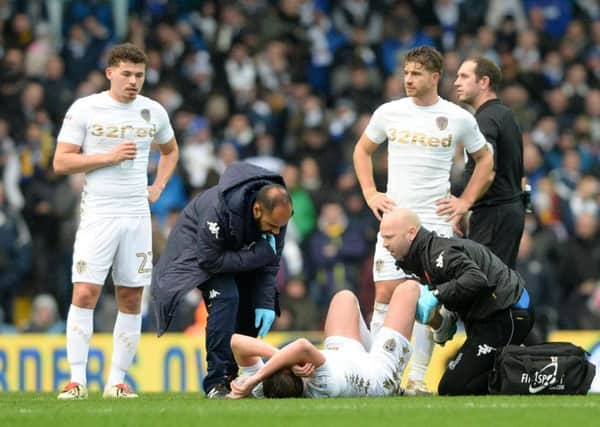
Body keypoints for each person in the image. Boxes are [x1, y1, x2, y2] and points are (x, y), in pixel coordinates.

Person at [353, 45, 494, 394]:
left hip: (435, 219)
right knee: (384, 292)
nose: (408, 80)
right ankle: (378, 375)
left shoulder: (458, 117)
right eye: (405, 73)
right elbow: (362, 150)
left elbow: (486, 161)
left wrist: (464, 202)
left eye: (416, 74)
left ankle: (416, 379)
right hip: (395, 218)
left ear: (435, 77)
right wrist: (371, 193)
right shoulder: (389, 112)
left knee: (425, 296)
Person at [53, 43, 179, 400]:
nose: (133, 81)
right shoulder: (87, 108)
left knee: (131, 297)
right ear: (110, 73)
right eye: (126, 74)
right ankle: (77, 381)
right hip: (99, 213)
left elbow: (171, 151)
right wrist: (107, 157)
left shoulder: (152, 112)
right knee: (85, 291)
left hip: (137, 215)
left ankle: (117, 382)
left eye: (139, 75)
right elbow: (61, 162)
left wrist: (158, 186)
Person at [151, 161, 293, 399]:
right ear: (257, 210)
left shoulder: (277, 213)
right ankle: (216, 381)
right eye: (272, 227)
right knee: (226, 297)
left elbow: (270, 264)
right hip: (198, 253)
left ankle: (236, 375)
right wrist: (255, 256)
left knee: (249, 305)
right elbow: (210, 261)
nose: (276, 233)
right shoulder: (217, 211)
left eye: (281, 227)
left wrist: (266, 302)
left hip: (236, 251)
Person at [381, 208, 534, 395]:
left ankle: (554, 369)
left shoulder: (438, 253)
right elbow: (459, 291)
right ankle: (530, 363)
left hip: (507, 313)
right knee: (455, 385)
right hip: (490, 318)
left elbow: (476, 279)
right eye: (383, 237)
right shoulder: (422, 258)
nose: (384, 244)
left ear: (411, 233)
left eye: (389, 237)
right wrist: (442, 322)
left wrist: (436, 295)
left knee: (454, 387)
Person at [226, 285, 419, 399]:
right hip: (378, 375)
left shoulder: (264, 389)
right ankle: (415, 376)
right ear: (302, 373)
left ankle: (376, 343)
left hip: (341, 354)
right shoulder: (323, 385)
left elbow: (235, 342)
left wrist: (256, 377)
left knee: (344, 297)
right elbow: (302, 346)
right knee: (408, 289)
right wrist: (264, 372)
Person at [454, 56, 525, 268]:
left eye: (464, 76)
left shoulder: (485, 120)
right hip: (507, 212)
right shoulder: (505, 115)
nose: (456, 82)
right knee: (499, 285)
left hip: (493, 215)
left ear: (484, 82)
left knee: (485, 287)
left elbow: (488, 169)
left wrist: (463, 204)